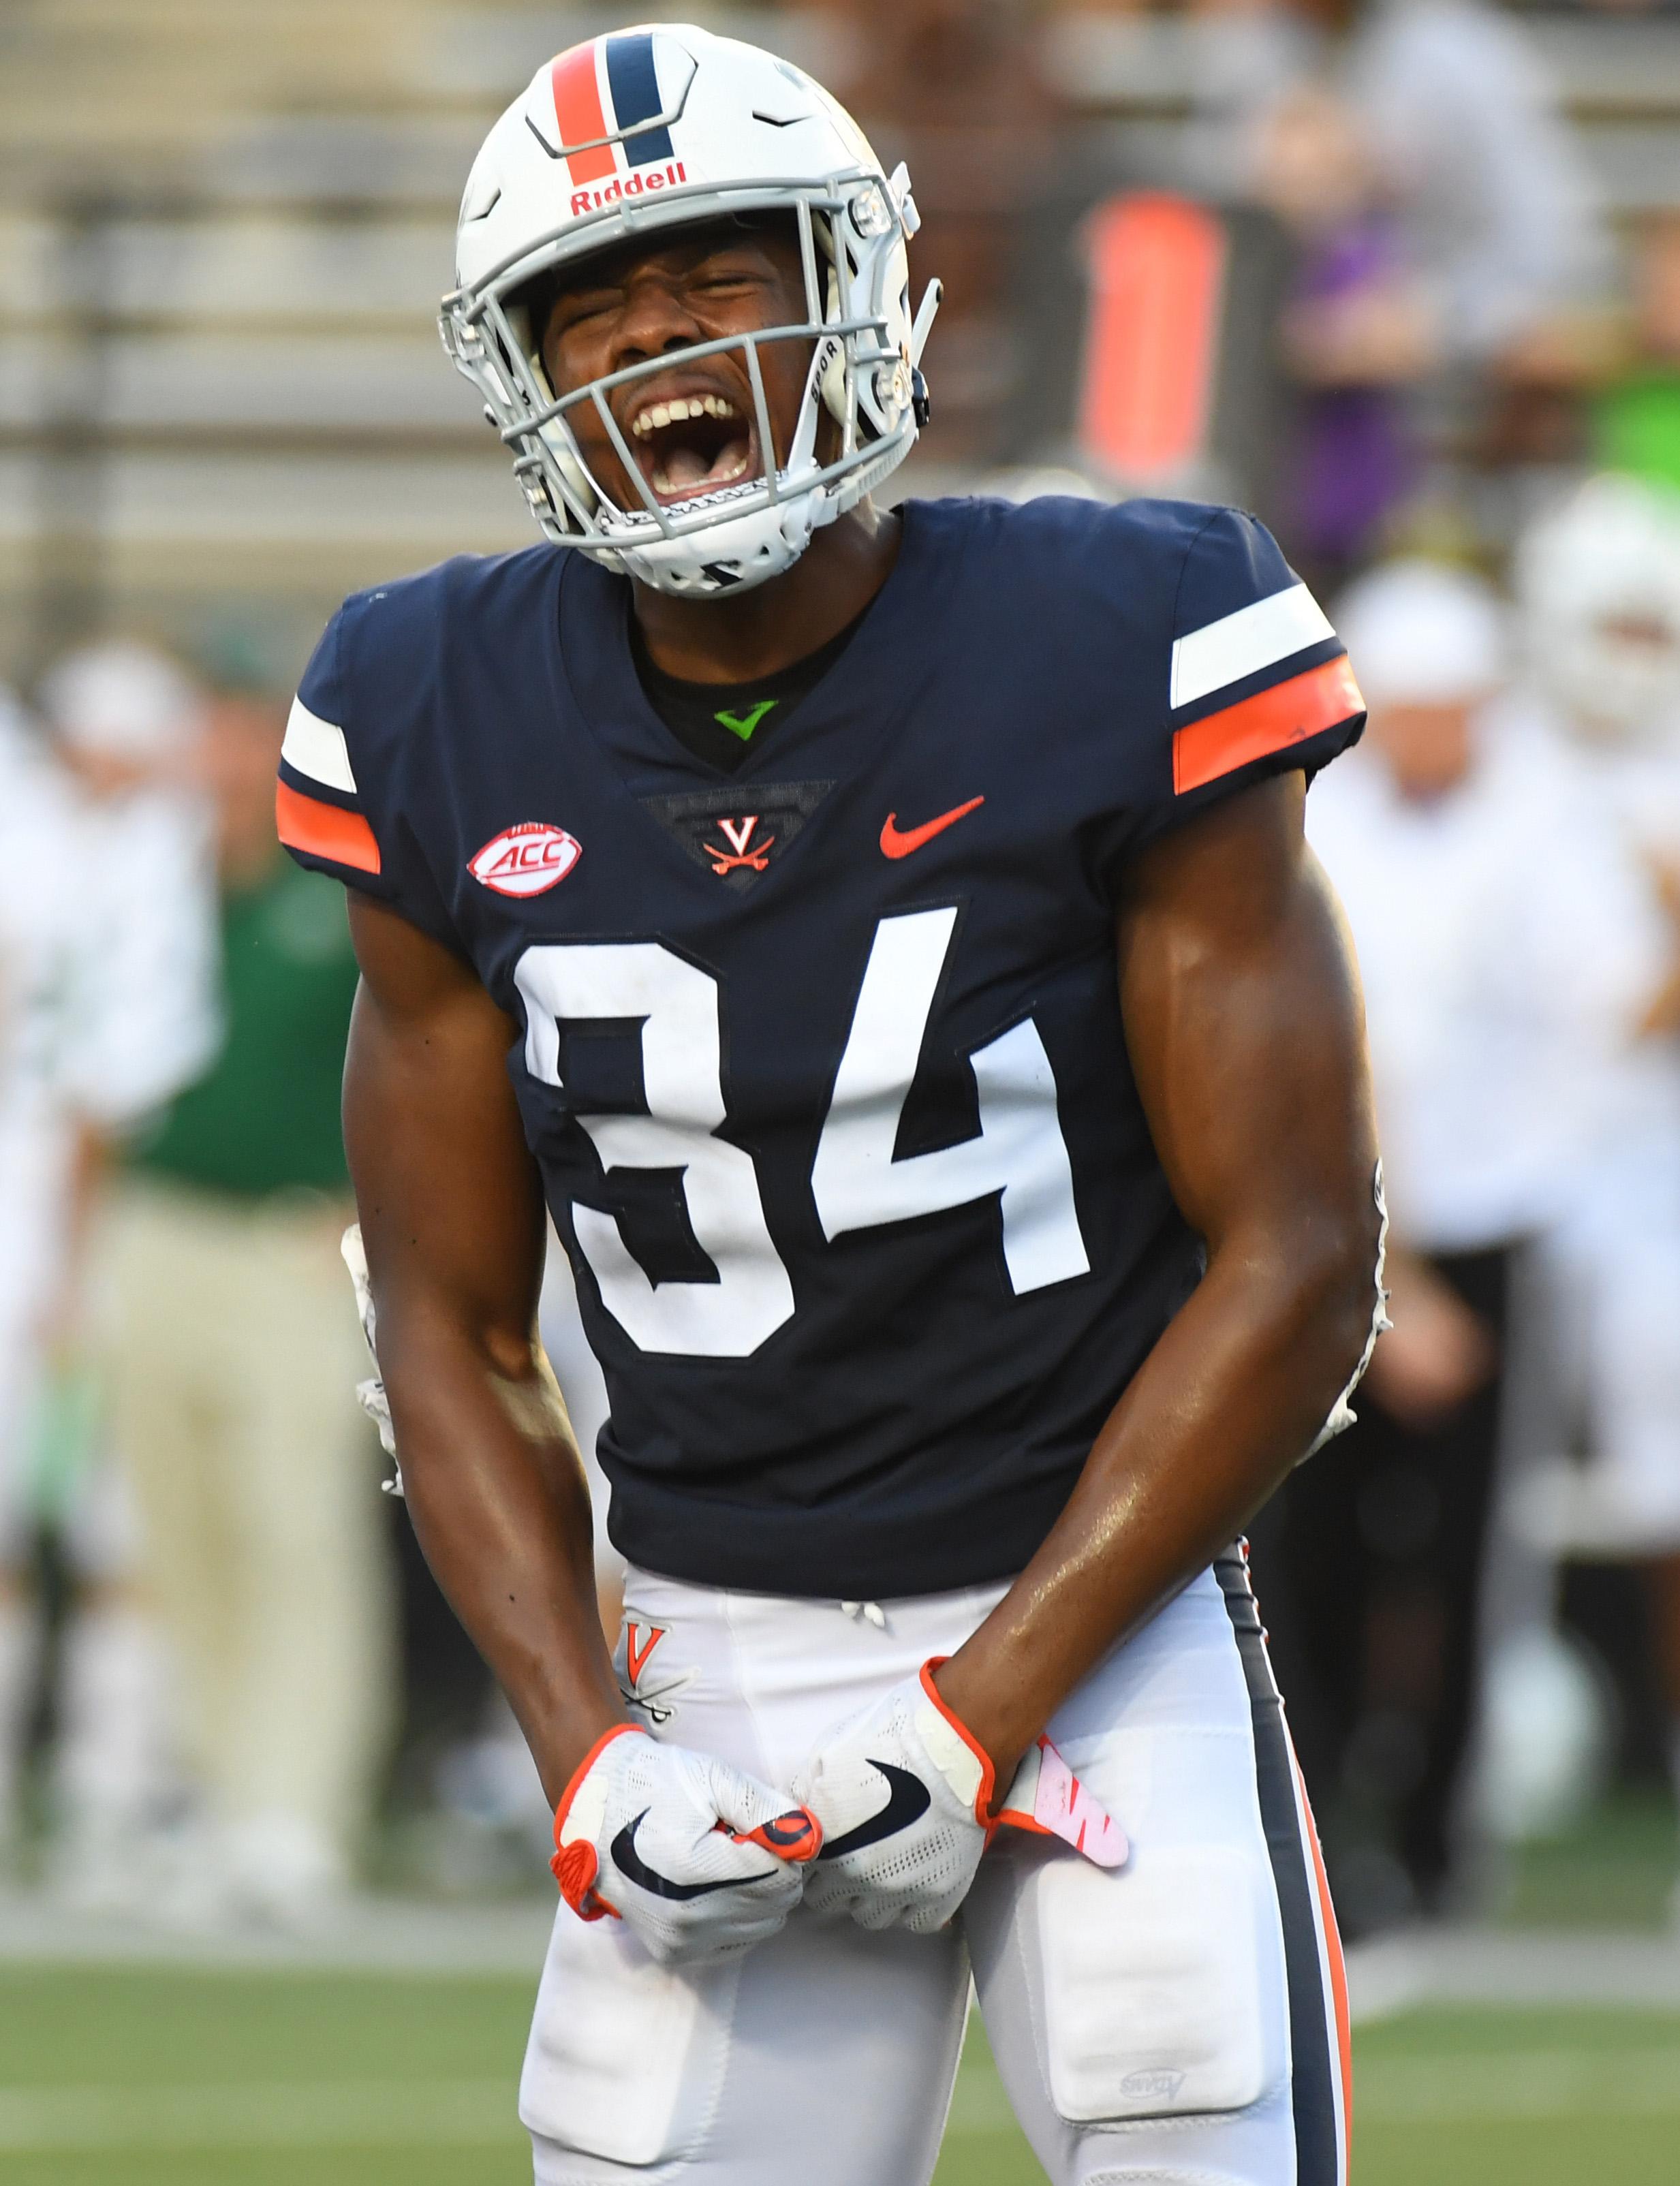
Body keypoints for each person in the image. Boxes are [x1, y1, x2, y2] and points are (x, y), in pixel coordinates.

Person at [277, 26, 1382, 2185]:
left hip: (1100, 1615)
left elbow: (1304, 1250)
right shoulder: (421, 703)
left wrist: (986, 1707)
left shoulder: (1121, 627)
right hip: (704, 1655)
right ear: (510, 367)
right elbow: (444, 1319)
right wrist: (586, 1756)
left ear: (858, 286)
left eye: (713, 269)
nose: (653, 342)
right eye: (586, 302)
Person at [1262, 557, 1658, 1934]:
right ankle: (1314, 1833)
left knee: (1473, 1548)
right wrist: (1394, 1280)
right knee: (1310, 1541)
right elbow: (1334, 1057)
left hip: (1501, 1230)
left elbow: (1609, 1003)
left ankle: (1440, 1845)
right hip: (1348, 1232)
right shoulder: (1321, 826)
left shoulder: (1547, 821)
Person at [104, 655, 390, 1926]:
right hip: (159, 1226)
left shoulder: (331, 890)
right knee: (185, 1530)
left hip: (290, 1241)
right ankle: (225, 1801)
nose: (217, 763)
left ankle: (299, 1812)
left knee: (297, 1527)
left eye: (238, 736)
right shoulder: (141, 882)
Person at [0, 644, 219, 1899]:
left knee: (122, 1525)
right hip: (60, 1217)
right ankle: (95, 1794)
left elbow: (122, 1086)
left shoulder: (157, 861)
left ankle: (109, 1791)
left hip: (111, 1223)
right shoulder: (100, 855)